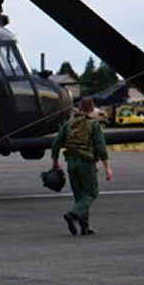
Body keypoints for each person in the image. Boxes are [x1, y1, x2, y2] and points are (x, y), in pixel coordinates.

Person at [51, 97, 113, 236]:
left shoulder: (68, 124)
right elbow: (100, 147)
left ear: (78, 108)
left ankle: (85, 227)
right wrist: (107, 167)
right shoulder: (93, 124)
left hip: (71, 163)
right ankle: (73, 215)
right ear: (91, 109)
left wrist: (55, 161)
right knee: (91, 192)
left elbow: (56, 144)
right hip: (86, 163)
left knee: (79, 195)